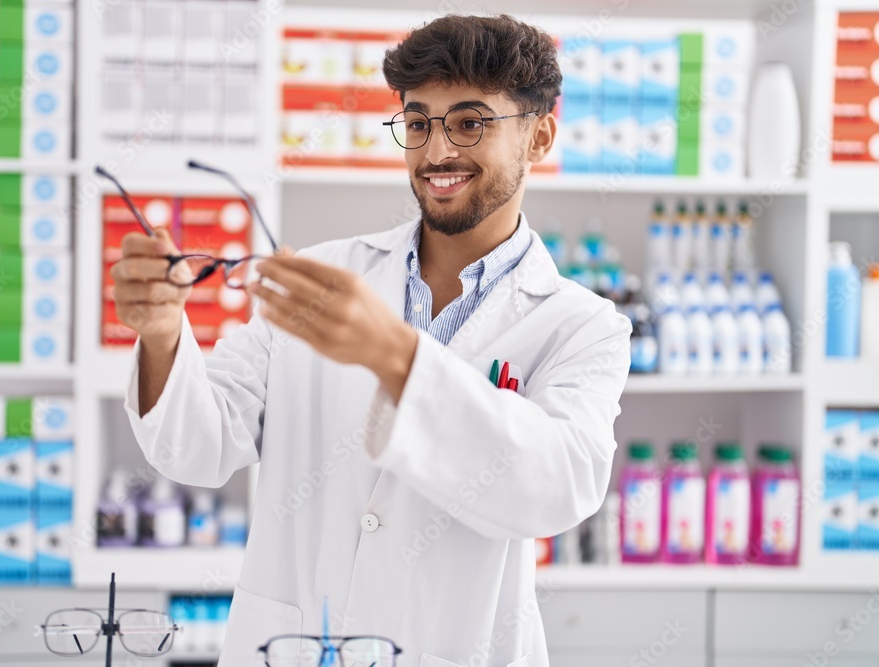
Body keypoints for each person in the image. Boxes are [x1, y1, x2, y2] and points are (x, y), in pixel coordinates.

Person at [113, 14, 630, 666]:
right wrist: (163, 333)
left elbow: (554, 488)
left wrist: (395, 352)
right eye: (418, 124)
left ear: (540, 136)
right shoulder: (324, 278)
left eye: (470, 122)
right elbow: (200, 446)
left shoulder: (582, 327)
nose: (438, 151)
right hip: (294, 647)